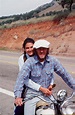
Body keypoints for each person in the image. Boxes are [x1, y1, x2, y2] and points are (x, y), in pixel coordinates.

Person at [14, 39, 75, 115]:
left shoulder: (53, 61)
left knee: (60, 110)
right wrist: (18, 96)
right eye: (39, 49)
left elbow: (65, 74)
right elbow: (21, 78)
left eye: (44, 49)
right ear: (36, 50)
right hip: (32, 95)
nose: (42, 51)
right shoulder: (30, 62)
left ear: (47, 50)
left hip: (47, 95)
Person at [14, 37, 36, 115]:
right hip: (26, 86)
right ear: (24, 49)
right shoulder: (22, 59)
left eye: (31, 47)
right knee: (19, 109)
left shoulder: (39, 56)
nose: (30, 49)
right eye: (27, 48)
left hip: (39, 86)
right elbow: (23, 77)